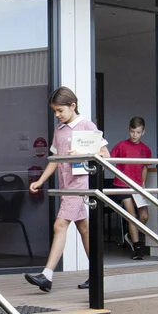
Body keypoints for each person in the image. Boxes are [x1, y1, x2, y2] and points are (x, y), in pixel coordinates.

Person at [26, 87, 107, 293]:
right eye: (54, 111)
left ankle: (47, 275)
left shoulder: (86, 125)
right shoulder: (59, 130)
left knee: (60, 225)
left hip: (79, 186)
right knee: (84, 229)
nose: (57, 115)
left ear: (72, 106)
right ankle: (97, 273)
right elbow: (55, 159)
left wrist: (83, 153)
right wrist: (40, 181)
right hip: (66, 186)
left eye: (60, 110)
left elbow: (105, 154)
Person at [109, 117, 155, 261]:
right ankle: (137, 248)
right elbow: (109, 161)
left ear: (143, 132)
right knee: (131, 216)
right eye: (132, 131)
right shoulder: (121, 146)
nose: (135, 135)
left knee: (144, 217)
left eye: (138, 132)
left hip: (137, 186)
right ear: (129, 130)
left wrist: (142, 184)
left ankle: (130, 235)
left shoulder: (145, 149)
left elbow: (145, 168)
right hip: (122, 185)